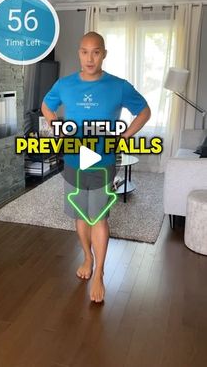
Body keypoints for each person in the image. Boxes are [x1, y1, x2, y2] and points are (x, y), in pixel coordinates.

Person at [41, 31, 151, 303]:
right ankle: (87, 258)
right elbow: (46, 105)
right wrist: (58, 128)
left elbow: (144, 110)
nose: (90, 58)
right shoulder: (65, 84)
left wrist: (124, 138)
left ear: (104, 54)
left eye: (96, 52)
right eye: (84, 51)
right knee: (81, 215)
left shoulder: (118, 86)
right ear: (79, 53)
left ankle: (99, 273)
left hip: (102, 162)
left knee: (98, 217)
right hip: (73, 160)